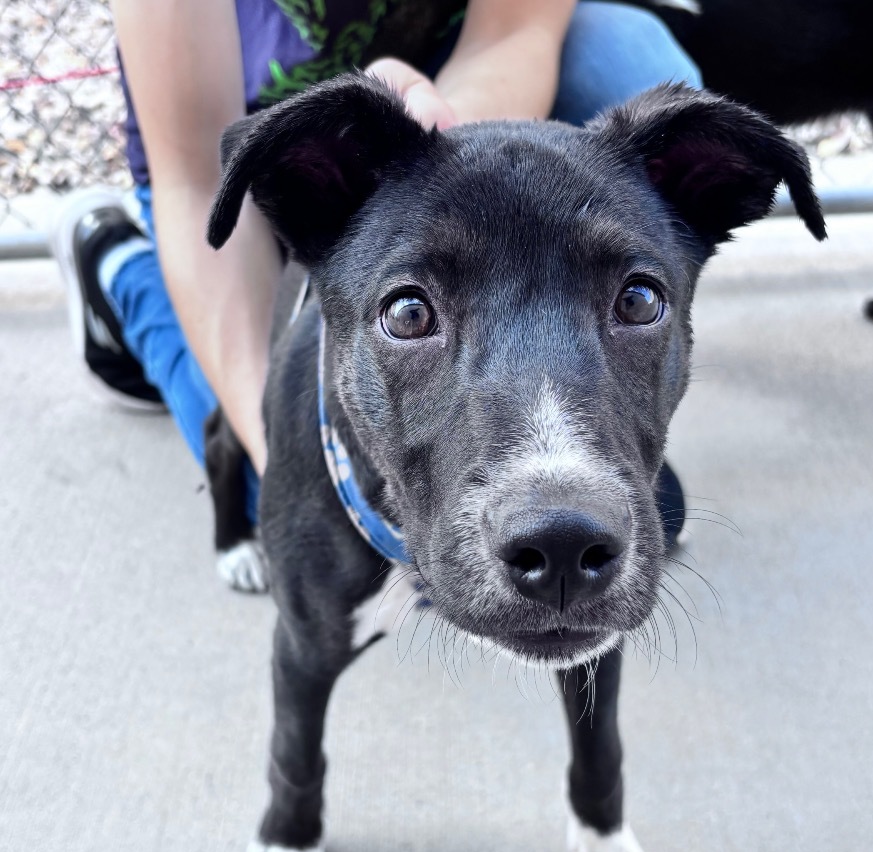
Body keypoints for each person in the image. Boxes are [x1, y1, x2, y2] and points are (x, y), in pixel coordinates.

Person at [54, 0, 698, 540]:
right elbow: (199, 182)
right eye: (411, 316)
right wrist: (280, 453)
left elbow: (516, 32)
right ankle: (118, 273)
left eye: (637, 303)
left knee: (637, 62)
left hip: (435, 117)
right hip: (243, 170)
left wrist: (434, 154)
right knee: (278, 500)